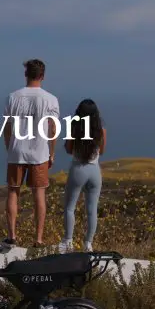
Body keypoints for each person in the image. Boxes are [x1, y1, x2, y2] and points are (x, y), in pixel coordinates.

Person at [2, 59, 59, 247]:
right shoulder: (50, 99)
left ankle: (12, 236)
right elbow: (52, 129)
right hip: (39, 153)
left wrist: (10, 148)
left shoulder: (12, 97)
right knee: (39, 195)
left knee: (13, 192)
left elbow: (7, 128)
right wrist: (52, 153)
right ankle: (38, 239)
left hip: (16, 151)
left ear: (26, 74)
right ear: (42, 76)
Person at [58, 99, 106, 253]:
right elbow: (102, 151)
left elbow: (68, 149)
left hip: (78, 168)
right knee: (92, 210)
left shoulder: (74, 128)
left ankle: (68, 241)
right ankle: (88, 243)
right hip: (95, 171)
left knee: (70, 207)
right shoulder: (101, 131)